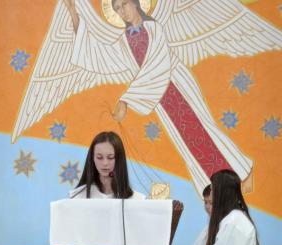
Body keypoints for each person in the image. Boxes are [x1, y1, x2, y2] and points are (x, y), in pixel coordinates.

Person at [59, 0, 255, 195]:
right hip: (161, 99)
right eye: (117, 9)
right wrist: (74, 15)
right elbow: (97, 55)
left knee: (203, 130)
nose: (121, 12)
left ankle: (242, 171)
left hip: (177, 86)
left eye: (124, 4)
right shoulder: (123, 41)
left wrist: (127, 99)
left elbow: (156, 63)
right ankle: (217, 185)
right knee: (186, 142)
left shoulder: (154, 28)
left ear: (136, 4)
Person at [70, 131, 145, 199]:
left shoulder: (137, 200)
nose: (105, 163)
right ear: (92, 158)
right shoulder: (78, 197)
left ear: (119, 159)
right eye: (99, 157)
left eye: (110, 157)